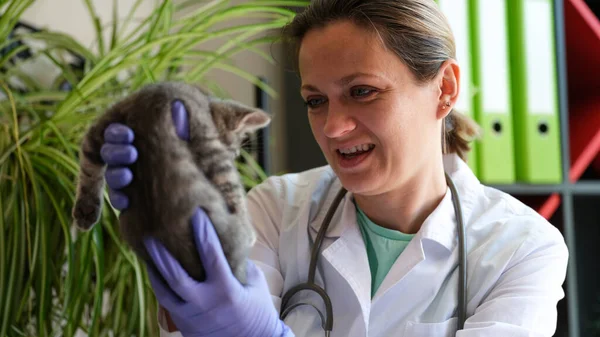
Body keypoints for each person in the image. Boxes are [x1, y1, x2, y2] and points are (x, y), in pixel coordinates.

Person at [99, 0, 569, 336]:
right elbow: (211, 311)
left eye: (362, 91)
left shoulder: (523, 249)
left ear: (444, 89)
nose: (334, 127)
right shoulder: (274, 208)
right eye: (315, 100)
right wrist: (176, 228)